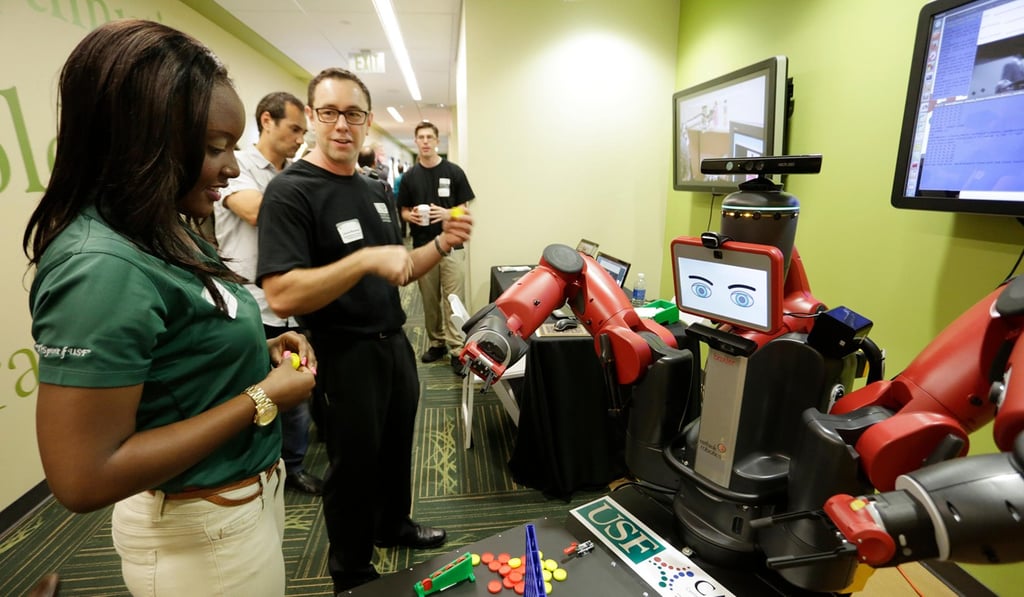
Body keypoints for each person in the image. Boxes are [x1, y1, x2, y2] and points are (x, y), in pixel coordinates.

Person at [22, 19, 318, 596]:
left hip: (240, 505)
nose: (232, 168)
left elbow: (172, 353)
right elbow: (82, 477)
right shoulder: (100, 266)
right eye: (214, 149)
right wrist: (262, 396)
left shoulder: (159, 229)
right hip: (200, 538)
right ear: (142, 141)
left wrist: (257, 352)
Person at [256, 67, 473, 593]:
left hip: (393, 341)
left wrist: (440, 246)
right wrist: (363, 261)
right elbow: (282, 292)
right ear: (311, 117)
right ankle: (351, 571)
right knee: (352, 468)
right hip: (340, 351)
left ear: (368, 121)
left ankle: (392, 525)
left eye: (353, 114)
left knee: (398, 446)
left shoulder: (374, 188)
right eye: (328, 113)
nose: (341, 125)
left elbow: (397, 266)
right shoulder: (291, 193)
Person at [214, 91, 325, 496]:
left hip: (297, 300)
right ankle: (260, 467)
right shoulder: (237, 167)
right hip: (251, 303)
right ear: (266, 121)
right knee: (257, 392)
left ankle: (291, 465)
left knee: (299, 392)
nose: (299, 138)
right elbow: (256, 212)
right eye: (294, 128)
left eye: (303, 131)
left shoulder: (296, 172)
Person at [397, 121, 476, 369]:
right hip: (423, 248)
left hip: (453, 247)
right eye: (421, 137)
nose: (426, 141)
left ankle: (457, 348)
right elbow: (404, 212)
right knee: (429, 300)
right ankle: (436, 343)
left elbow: (463, 209)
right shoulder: (409, 177)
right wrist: (413, 217)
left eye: (430, 137)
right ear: (416, 141)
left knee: (454, 298)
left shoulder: (454, 172)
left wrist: (447, 214)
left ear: (437, 141)